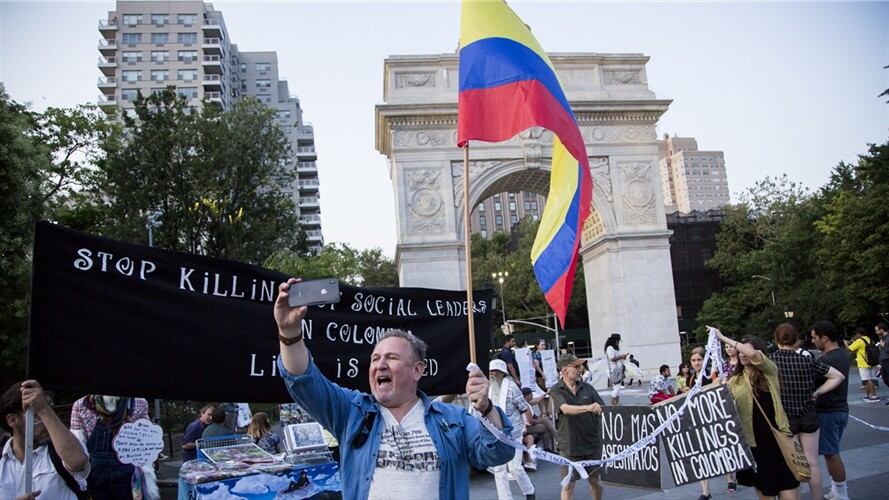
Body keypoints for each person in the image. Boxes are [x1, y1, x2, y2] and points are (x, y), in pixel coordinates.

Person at [273, 278, 514, 500]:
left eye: (391, 358)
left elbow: (498, 453)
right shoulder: (352, 414)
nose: (380, 365)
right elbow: (304, 381)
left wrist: (487, 408)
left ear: (417, 370)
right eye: (375, 358)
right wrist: (288, 332)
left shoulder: (453, 421)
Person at [715, 329, 800, 500]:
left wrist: (722, 337)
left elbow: (753, 354)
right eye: (740, 351)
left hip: (777, 436)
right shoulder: (734, 380)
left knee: (787, 483)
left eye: (745, 349)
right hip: (753, 440)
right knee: (764, 486)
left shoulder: (769, 370)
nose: (742, 354)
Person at [772, 323, 845, 500]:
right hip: (809, 414)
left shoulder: (772, 360)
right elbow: (838, 376)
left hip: (787, 417)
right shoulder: (807, 360)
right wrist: (817, 393)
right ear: (796, 338)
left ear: (776, 340)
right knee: (813, 463)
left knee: (792, 464)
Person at [1, 380, 90, 500]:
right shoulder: (2, 462)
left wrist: (44, 410)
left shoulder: (59, 450)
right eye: (36, 415)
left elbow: (77, 463)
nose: (46, 422)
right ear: (12, 420)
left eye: (49, 410)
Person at [69, 394, 156, 499]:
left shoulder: (139, 403)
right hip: (96, 476)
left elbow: (145, 443)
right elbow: (77, 448)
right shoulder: (80, 406)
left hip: (127, 476)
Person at [550, 354, 605, 500]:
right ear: (564, 370)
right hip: (569, 446)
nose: (581, 369)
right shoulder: (556, 390)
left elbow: (604, 408)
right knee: (568, 485)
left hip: (591, 444)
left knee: (596, 482)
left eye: (581, 366)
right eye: (576, 367)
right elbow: (565, 409)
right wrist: (588, 408)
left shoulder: (588, 388)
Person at [810, 321, 851, 500]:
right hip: (839, 408)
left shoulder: (827, 360)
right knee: (831, 452)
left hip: (828, 411)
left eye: (814, 337)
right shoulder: (841, 355)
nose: (812, 341)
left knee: (831, 452)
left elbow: (811, 378)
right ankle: (837, 490)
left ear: (824, 338)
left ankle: (841, 493)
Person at [488, 359, 536, 500]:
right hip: (496, 433)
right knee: (499, 470)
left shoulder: (512, 388)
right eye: (491, 371)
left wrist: (525, 427)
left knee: (515, 468)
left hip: (514, 433)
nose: (492, 374)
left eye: (495, 371)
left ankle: (529, 491)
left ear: (503, 373)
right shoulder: (489, 388)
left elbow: (523, 408)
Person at [847, 327, 879, 402]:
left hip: (863, 363)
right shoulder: (869, 339)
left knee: (867, 380)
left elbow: (849, 349)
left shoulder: (860, 341)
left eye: (856, 334)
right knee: (869, 379)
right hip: (872, 362)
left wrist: (846, 343)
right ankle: (868, 395)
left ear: (859, 334)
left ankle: (873, 396)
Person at [521, 387, 556, 454]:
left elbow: (538, 400)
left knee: (545, 421)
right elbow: (530, 421)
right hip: (527, 427)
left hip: (530, 424)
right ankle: (557, 436)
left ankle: (547, 447)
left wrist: (546, 393)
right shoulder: (525, 405)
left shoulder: (528, 402)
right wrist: (540, 420)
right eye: (531, 394)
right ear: (526, 396)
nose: (532, 396)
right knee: (544, 425)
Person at [604, 333, 628, 405]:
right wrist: (621, 356)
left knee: (617, 388)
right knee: (617, 388)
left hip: (616, 370)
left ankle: (617, 404)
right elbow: (612, 358)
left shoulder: (613, 348)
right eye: (617, 341)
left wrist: (622, 357)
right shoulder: (610, 348)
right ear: (614, 341)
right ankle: (614, 405)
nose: (618, 343)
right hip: (613, 370)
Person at [877, 322, 889, 402]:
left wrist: (883, 346)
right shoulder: (882, 338)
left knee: (887, 378)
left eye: (877, 330)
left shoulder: (888, 338)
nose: (876, 332)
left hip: (888, 360)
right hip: (883, 361)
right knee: (885, 379)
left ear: (882, 329)